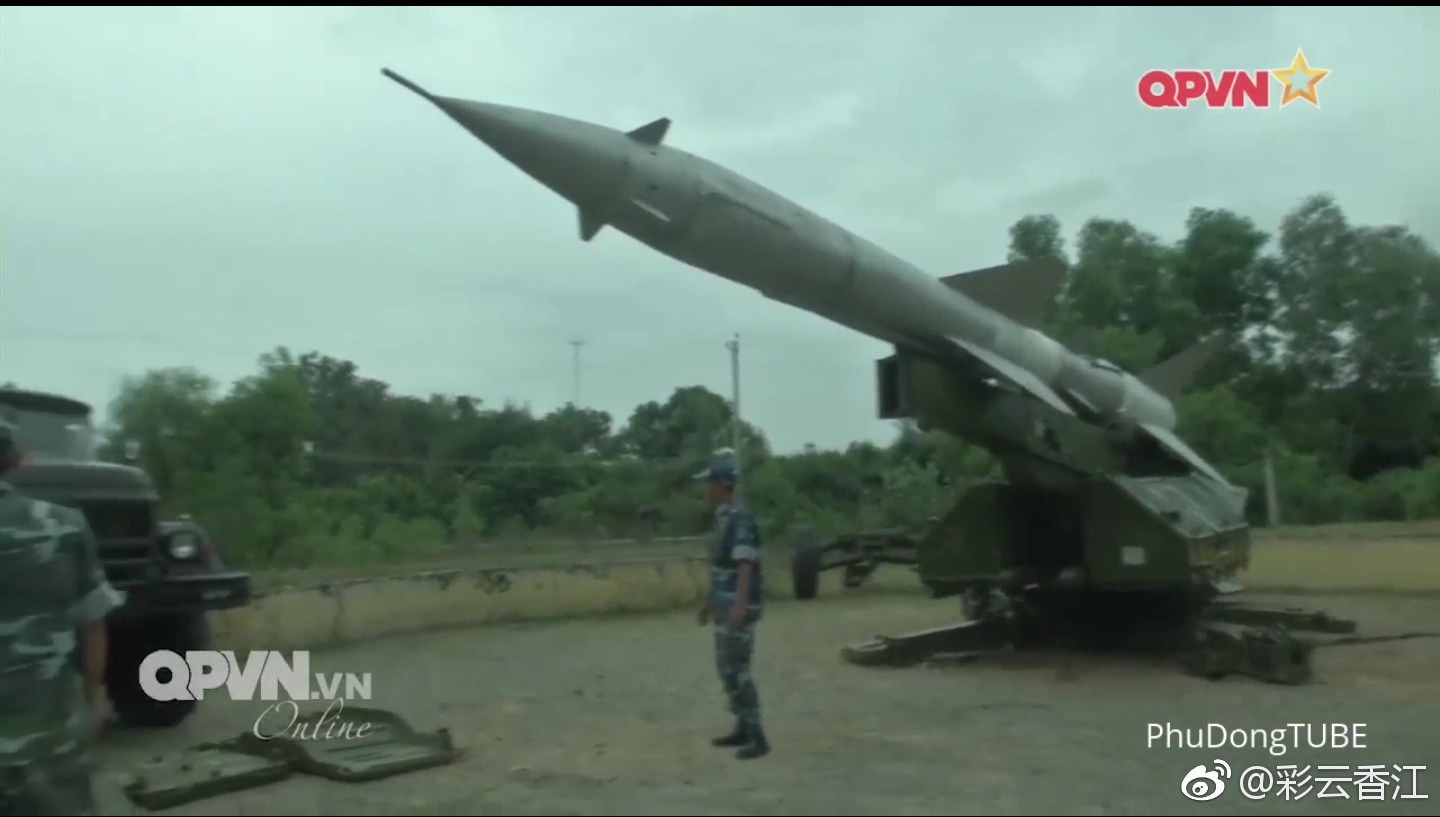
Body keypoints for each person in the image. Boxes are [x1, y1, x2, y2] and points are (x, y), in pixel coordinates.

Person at [0, 417, 124, 815]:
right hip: (49, 738)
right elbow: (93, 620)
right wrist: (96, 696)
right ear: (17, 461)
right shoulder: (63, 526)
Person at [694, 456, 769, 760]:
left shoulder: (740, 519)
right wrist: (709, 602)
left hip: (738, 602)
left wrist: (739, 603)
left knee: (736, 669)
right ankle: (742, 726)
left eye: (709, 482)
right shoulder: (725, 518)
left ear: (722, 485)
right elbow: (720, 567)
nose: (705, 488)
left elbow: (745, 562)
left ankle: (757, 735)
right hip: (725, 601)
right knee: (727, 668)